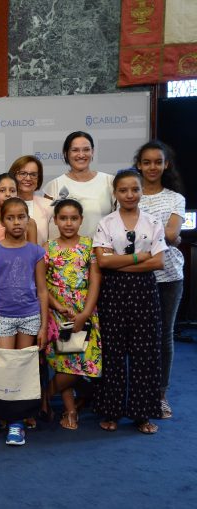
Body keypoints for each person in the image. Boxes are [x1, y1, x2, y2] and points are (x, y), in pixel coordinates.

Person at [93, 169, 166, 434]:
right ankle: (111, 412)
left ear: (141, 190)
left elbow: (158, 261)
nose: (129, 194)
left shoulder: (153, 221)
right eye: (123, 190)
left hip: (145, 292)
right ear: (115, 193)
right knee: (112, 353)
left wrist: (118, 263)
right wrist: (138, 258)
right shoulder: (106, 223)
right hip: (112, 293)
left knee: (145, 354)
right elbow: (103, 262)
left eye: (134, 189)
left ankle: (142, 414)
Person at [0, 197, 48, 446]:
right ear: (1, 220)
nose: (16, 222)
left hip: (29, 316)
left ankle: (17, 421)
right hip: (2, 317)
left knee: (22, 368)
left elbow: (41, 290)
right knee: (2, 368)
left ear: (28, 219)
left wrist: (42, 325)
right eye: (10, 217)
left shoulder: (37, 251)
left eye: (21, 217)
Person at [135, 140, 185, 419]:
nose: (152, 167)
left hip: (168, 275)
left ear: (166, 164)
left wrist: (146, 230)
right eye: (146, 162)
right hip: (133, 276)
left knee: (163, 335)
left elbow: (172, 235)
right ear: (139, 165)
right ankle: (136, 392)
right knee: (136, 338)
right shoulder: (129, 194)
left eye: (158, 161)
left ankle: (160, 394)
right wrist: (165, 233)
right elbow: (166, 236)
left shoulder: (176, 198)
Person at [42, 199, 101, 430]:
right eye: (63, 218)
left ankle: (44, 394)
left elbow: (95, 280)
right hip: (60, 313)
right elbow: (41, 284)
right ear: (55, 220)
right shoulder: (48, 248)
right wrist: (56, 305)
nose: (68, 223)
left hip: (83, 312)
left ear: (81, 220)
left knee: (81, 364)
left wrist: (85, 313)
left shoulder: (89, 246)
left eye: (73, 218)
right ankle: (70, 411)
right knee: (67, 364)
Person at [43, 131, 114, 237]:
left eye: (86, 150)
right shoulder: (54, 185)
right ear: (66, 153)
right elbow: (46, 226)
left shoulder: (110, 181)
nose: (81, 155)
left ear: (93, 151)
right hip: (63, 252)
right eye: (75, 150)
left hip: (101, 251)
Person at [0, 173, 36, 261]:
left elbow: (34, 257)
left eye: (12, 191)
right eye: (2, 190)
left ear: (17, 194)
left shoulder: (29, 223)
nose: (8, 194)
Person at [8, 155, 54, 245]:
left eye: (33, 174)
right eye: (22, 173)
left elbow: (55, 243)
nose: (28, 178)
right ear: (13, 176)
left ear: (38, 179)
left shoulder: (50, 206)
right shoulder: (0, 203)